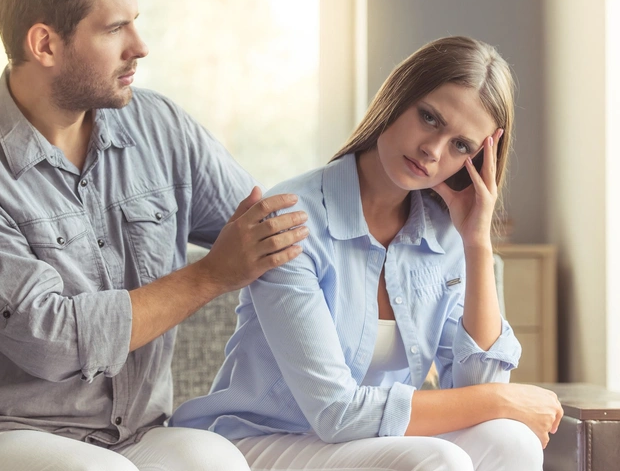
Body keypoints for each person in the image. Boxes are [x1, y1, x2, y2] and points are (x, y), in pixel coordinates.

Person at [0, 0, 310, 471]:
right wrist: (211, 275)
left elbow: (273, 234)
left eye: (134, 21)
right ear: (45, 44)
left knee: (216, 460)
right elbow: (52, 340)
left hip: (134, 432)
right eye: (115, 28)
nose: (139, 47)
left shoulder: (161, 126)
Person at [171, 36, 564, 471]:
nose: (433, 151)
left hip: (368, 443)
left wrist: (477, 243)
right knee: (441, 459)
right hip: (262, 439)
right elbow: (335, 412)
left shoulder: (446, 234)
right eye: (429, 118)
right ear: (398, 97)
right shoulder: (292, 221)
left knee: (512, 441)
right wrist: (500, 399)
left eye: (461, 146)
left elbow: (478, 385)